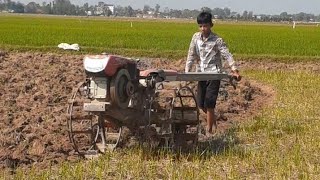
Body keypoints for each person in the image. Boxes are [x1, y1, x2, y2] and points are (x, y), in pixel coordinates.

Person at [185, 11, 241, 135]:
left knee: (210, 103)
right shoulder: (195, 38)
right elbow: (191, 55)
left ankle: (209, 131)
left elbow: (227, 55)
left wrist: (234, 69)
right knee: (201, 104)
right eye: (200, 26)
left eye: (205, 26)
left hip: (214, 74)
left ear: (211, 25)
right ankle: (213, 123)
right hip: (201, 73)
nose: (203, 29)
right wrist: (187, 72)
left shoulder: (217, 40)